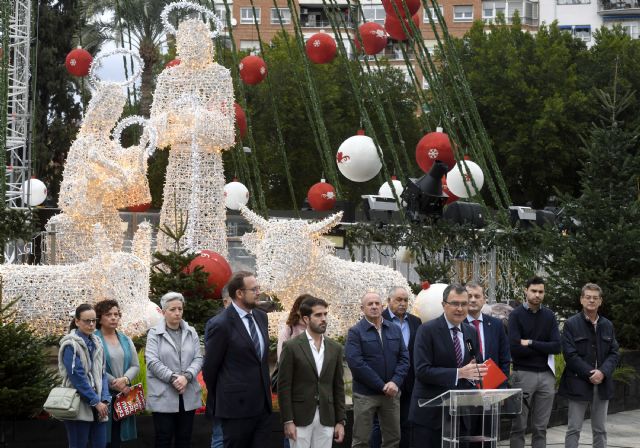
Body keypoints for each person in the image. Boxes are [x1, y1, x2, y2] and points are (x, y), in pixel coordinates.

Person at [409, 284, 487, 448]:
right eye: (455, 303)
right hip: (431, 416)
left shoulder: (470, 332)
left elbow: (474, 359)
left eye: (464, 304)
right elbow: (422, 371)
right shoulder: (426, 330)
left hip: (460, 415)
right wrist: (460, 373)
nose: (460, 309)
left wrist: (477, 370)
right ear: (444, 305)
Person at [203, 271, 272, 448]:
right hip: (235, 409)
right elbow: (210, 369)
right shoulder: (221, 324)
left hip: (262, 406)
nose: (258, 292)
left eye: (258, 288)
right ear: (239, 293)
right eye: (254, 289)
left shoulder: (261, 317)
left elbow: (260, 361)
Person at [278, 296, 346, 448]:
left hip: (326, 416)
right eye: (318, 315)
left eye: (325, 314)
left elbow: (338, 387)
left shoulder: (335, 348)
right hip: (299, 417)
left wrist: (340, 421)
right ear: (306, 319)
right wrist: (287, 420)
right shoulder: (291, 346)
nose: (323, 319)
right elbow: (284, 386)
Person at [345, 291, 410, 448]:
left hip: (391, 394)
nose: (374, 307)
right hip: (365, 395)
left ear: (383, 306)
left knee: (393, 439)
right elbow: (356, 364)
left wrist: (395, 382)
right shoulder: (355, 332)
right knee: (361, 440)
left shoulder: (394, 329)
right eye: (370, 304)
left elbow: (404, 358)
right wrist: (382, 385)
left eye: (377, 303)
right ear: (362, 308)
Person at [559, 283, 620, 448]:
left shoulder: (607, 325)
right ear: (581, 300)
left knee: (600, 429)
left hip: (602, 384)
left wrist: (603, 372)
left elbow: (614, 353)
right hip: (578, 383)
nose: (591, 300)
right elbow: (570, 355)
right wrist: (590, 373)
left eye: (595, 298)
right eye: (588, 297)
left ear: (600, 301)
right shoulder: (571, 324)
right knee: (574, 429)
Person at [508, 276, 561, 448]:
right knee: (519, 426)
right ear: (526, 291)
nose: (537, 295)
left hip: (546, 376)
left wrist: (530, 342)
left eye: (541, 292)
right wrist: (542, 347)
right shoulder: (515, 315)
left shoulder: (549, 316)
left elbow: (556, 347)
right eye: (534, 291)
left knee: (541, 427)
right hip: (523, 375)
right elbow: (515, 349)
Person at [146, 292, 203, 448]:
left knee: (184, 439)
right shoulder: (154, 333)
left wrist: (187, 377)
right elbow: (152, 361)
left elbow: (198, 358)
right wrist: (173, 378)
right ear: (164, 312)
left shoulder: (191, 331)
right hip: (163, 394)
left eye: (180, 308)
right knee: (163, 439)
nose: (177, 313)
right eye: (172, 309)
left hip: (187, 393)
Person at [371, 286, 422, 448]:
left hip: (409, 383)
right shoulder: (379, 319)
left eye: (406, 300)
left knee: (407, 424)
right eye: (398, 300)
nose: (403, 303)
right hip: (386, 383)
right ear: (388, 301)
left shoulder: (416, 321)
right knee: (381, 426)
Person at [58, 303, 111, 448]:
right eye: (87, 321)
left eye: (94, 320)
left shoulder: (97, 342)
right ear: (77, 321)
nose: (92, 324)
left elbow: (102, 373)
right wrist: (95, 401)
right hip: (78, 404)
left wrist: (105, 399)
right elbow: (77, 378)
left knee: (100, 444)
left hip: (99, 405)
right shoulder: (70, 345)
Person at [94, 300, 140, 448]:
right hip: (102, 396)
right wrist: (115, 382)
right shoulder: (93, 340)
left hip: (123, 395)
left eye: (116, 314)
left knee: (117, 438)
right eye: (108, 314)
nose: (114, 317)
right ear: (99, 318)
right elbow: (94, 367)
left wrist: (125, 379)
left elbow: (135, 365)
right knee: (101, 438)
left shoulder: (125, 339)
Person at [465, 282, 510, 381]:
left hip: (493, 385)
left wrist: (502, 384)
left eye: (477, 296)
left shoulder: (496, 324)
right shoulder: (457, 325)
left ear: (484, 300)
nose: (473, 300)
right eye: (469, 296)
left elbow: (505, 358)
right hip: (465, 387)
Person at [277, 294, 311, 361]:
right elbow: (281, 358)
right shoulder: (288, 330)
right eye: (306, 309)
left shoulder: (317, 329)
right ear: (297, 310)